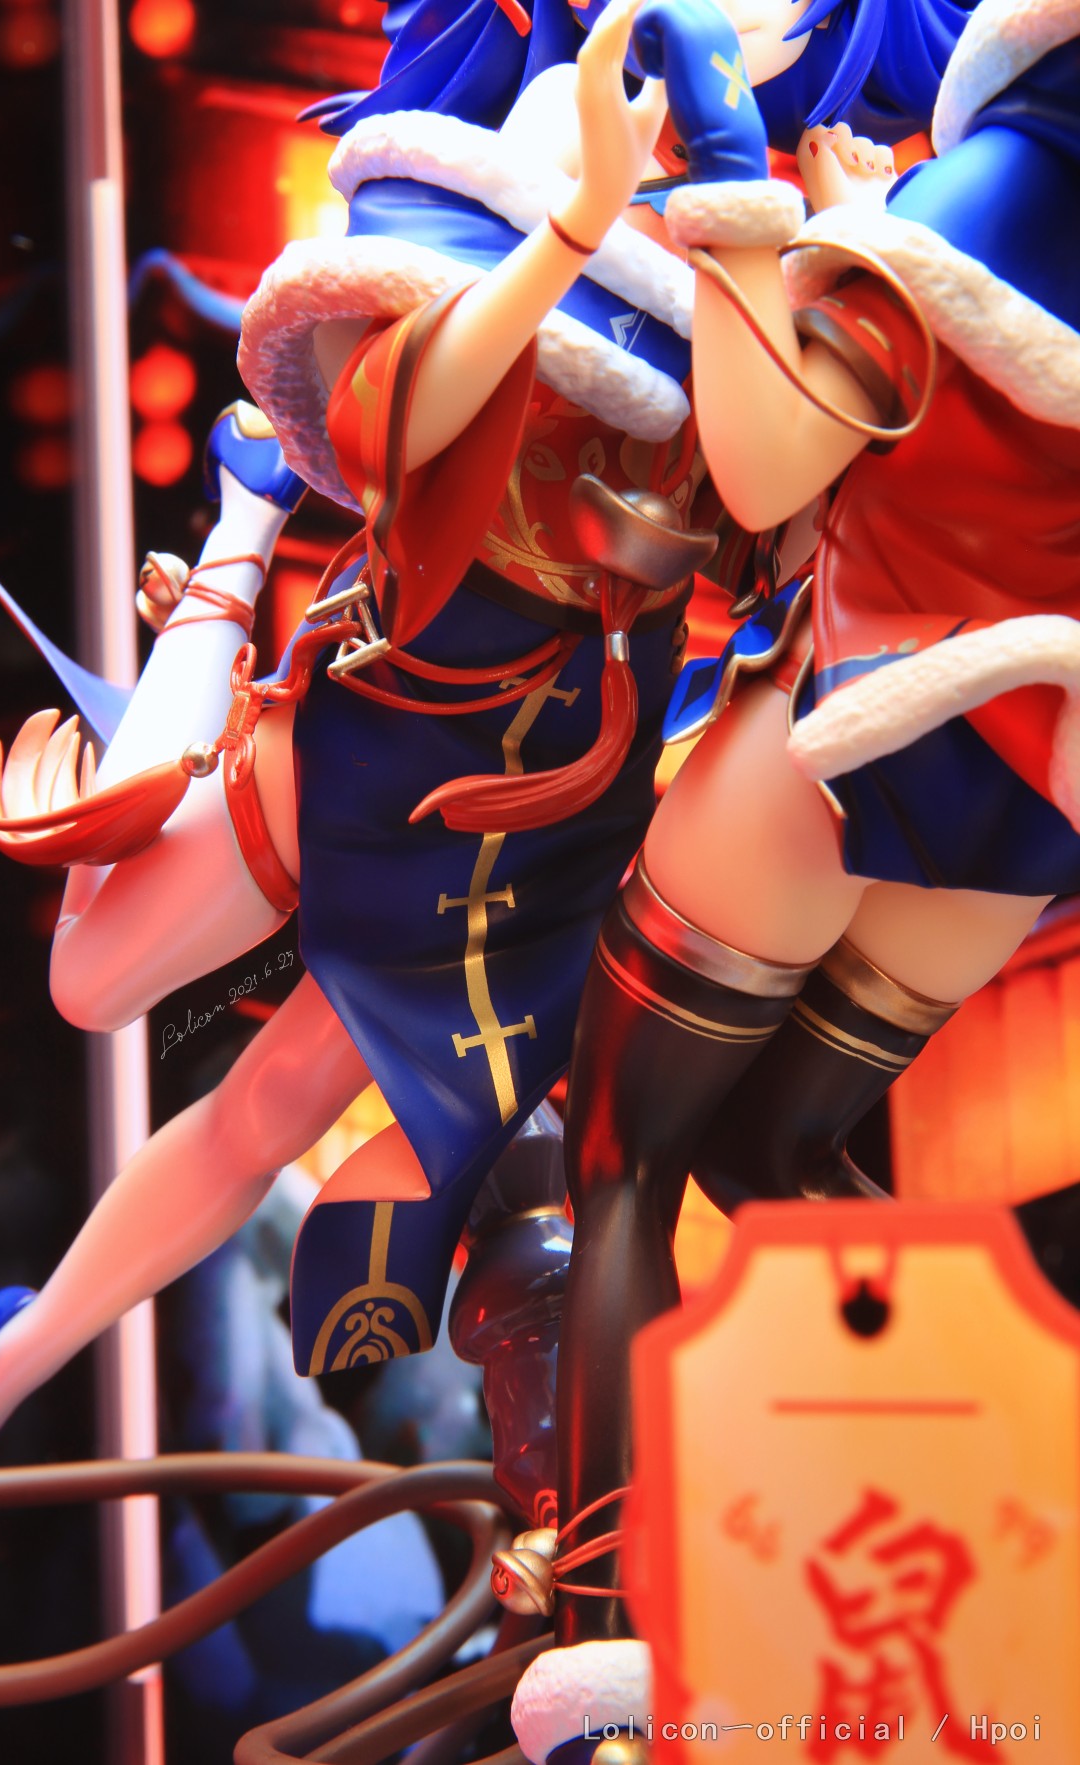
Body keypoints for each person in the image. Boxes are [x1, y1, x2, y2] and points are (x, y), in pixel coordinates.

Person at [0, 0, 708, 1544]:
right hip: (344, 757)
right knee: (91, 985)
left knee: (257, 1118)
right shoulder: (457, 352)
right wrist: (574, 220)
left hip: (500, 862)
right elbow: (427, 397)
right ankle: (237, 529)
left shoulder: (676, 393)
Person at [509, 0, 1080, 1755]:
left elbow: (766, 462)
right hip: (1021, 802)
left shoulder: (1001, 183)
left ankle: (605, 1659)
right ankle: (972, 1515)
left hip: (858, 735)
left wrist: (736, 182)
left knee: (618, 1157)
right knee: (776, 1152)